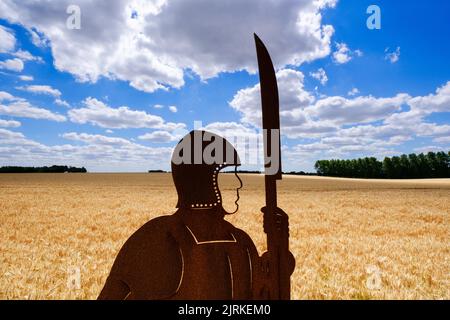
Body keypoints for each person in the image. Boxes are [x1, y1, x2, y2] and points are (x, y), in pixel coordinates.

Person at [98, 130, 293, 300]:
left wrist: (279, 247)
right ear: (203, 181)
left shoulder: (241, 240)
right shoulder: (162, 237)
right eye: (227, 174)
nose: (238, 182)